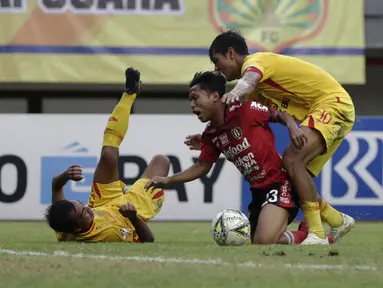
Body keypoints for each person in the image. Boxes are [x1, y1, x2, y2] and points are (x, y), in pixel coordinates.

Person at [185, 30, 356, 245]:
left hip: (332, 103)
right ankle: (337, 220)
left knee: (292, 159)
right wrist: (208, 138)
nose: (216, 69)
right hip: (321, 112)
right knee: (294, 175)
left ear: (230, 53)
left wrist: (234, 93)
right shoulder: (258, 91)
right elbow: (238, 121)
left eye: (216, 61)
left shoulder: (256, 62)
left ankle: (317, 234)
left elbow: (248, 80)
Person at [145, 71, 332, 245]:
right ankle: (302, 232)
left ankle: (312, 234)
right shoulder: (211, 134)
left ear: (215, 96)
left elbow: (280, 114)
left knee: (264, 240)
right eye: (190, 100)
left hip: (280, 182)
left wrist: (293, 127)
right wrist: (169, 180)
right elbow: (201, 167)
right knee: (255, 239)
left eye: (195, 98)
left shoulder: (247, 110)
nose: (192, 105)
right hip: (258, 191)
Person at [45, 67, 170, 243]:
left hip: (103, 201)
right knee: (161, 161)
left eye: (81, 205)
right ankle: (136, 194)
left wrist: (65, 176)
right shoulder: (109, 234)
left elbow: (56, 187)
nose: (86, 209)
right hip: (128, 213)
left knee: (108, 155)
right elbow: (148, 240)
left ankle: (130, 93)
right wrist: (133, 217)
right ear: (78, 229)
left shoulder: (65, 223)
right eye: (85, 213)